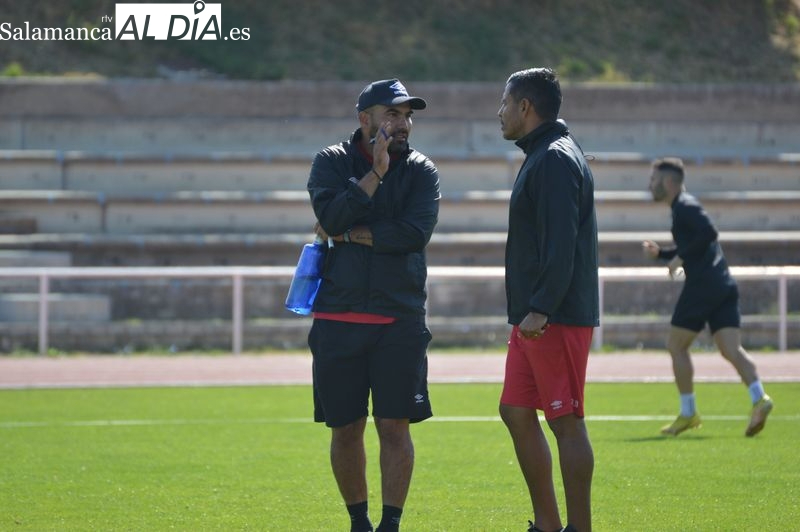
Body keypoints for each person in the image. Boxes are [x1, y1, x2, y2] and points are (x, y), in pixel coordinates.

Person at [305, 78, 440, 532]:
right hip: (336, 320)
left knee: (394, 427)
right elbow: (330, 218)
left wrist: (350, 235)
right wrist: (376, 173)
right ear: (365, 119)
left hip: (398, 321)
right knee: (345, 428)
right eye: (392, 114)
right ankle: (359, 522)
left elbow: (413, 235)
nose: (402, 124)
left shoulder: (422, 171)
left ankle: (391, 525)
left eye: (407, 116)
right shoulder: (329, 162)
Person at [497, 68, 599, 532]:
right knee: (515, 410)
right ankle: (546, 525)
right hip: (534, 316)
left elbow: (561, 242)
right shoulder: (545, 155)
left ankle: (578, 528)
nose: (498, 113)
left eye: (504, 103)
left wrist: (542, 306)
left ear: (525, 107)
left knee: (565, 421)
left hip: (552, 315)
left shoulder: (555, 158)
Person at [642, 157, 773, 437]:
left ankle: (688, 413)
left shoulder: (685, 206)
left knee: (676, 345)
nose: (650, 185)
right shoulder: (684, 208)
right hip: (723, 284)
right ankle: (759, 398)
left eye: (653, 180)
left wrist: (679, 258)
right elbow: (695, 243)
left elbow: (709, 233)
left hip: (703, 286)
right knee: (730, 348)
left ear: (667, 182)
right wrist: (664, 254)